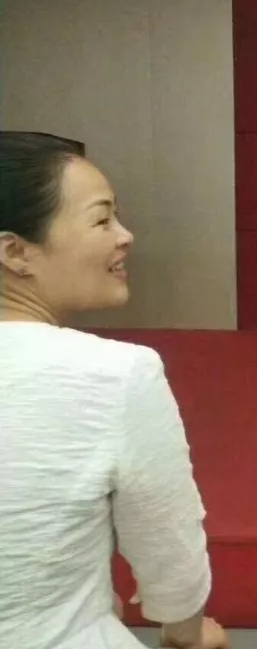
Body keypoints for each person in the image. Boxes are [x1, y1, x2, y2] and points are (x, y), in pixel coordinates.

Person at [0, 132, 228, 649]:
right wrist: (188, 634)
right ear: (15, 251)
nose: (125, 236)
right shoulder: (116, 374)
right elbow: (171, 555)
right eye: (102, 220)